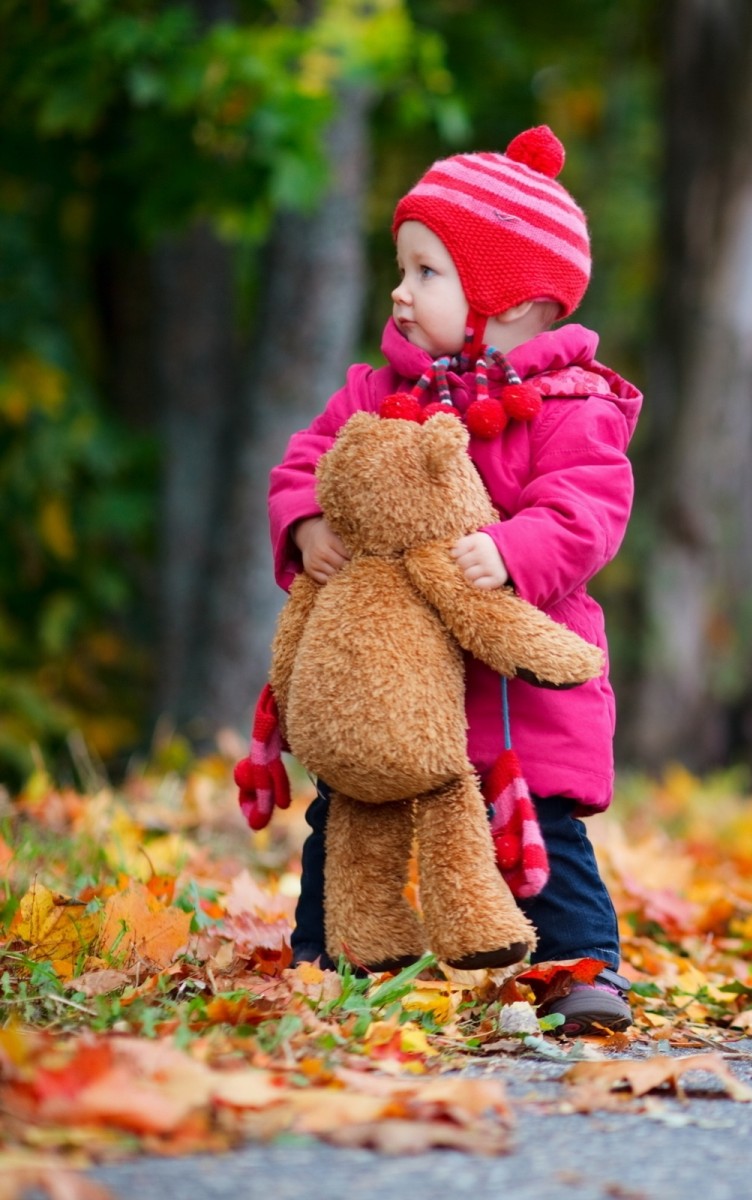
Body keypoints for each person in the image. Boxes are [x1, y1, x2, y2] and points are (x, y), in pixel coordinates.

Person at [266, 126, 641, 1035]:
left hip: (516, 690)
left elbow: (588, 508)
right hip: (392, 681)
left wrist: (514, 553)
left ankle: (579, 969)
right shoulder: (377, 394)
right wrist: (307, 523)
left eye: (427, 272)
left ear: (516, 303)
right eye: (402, 268)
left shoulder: (570, 406)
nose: (400, 291)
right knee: (348, 811)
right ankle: (331, 956)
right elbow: (305, 462)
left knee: (537, 831)